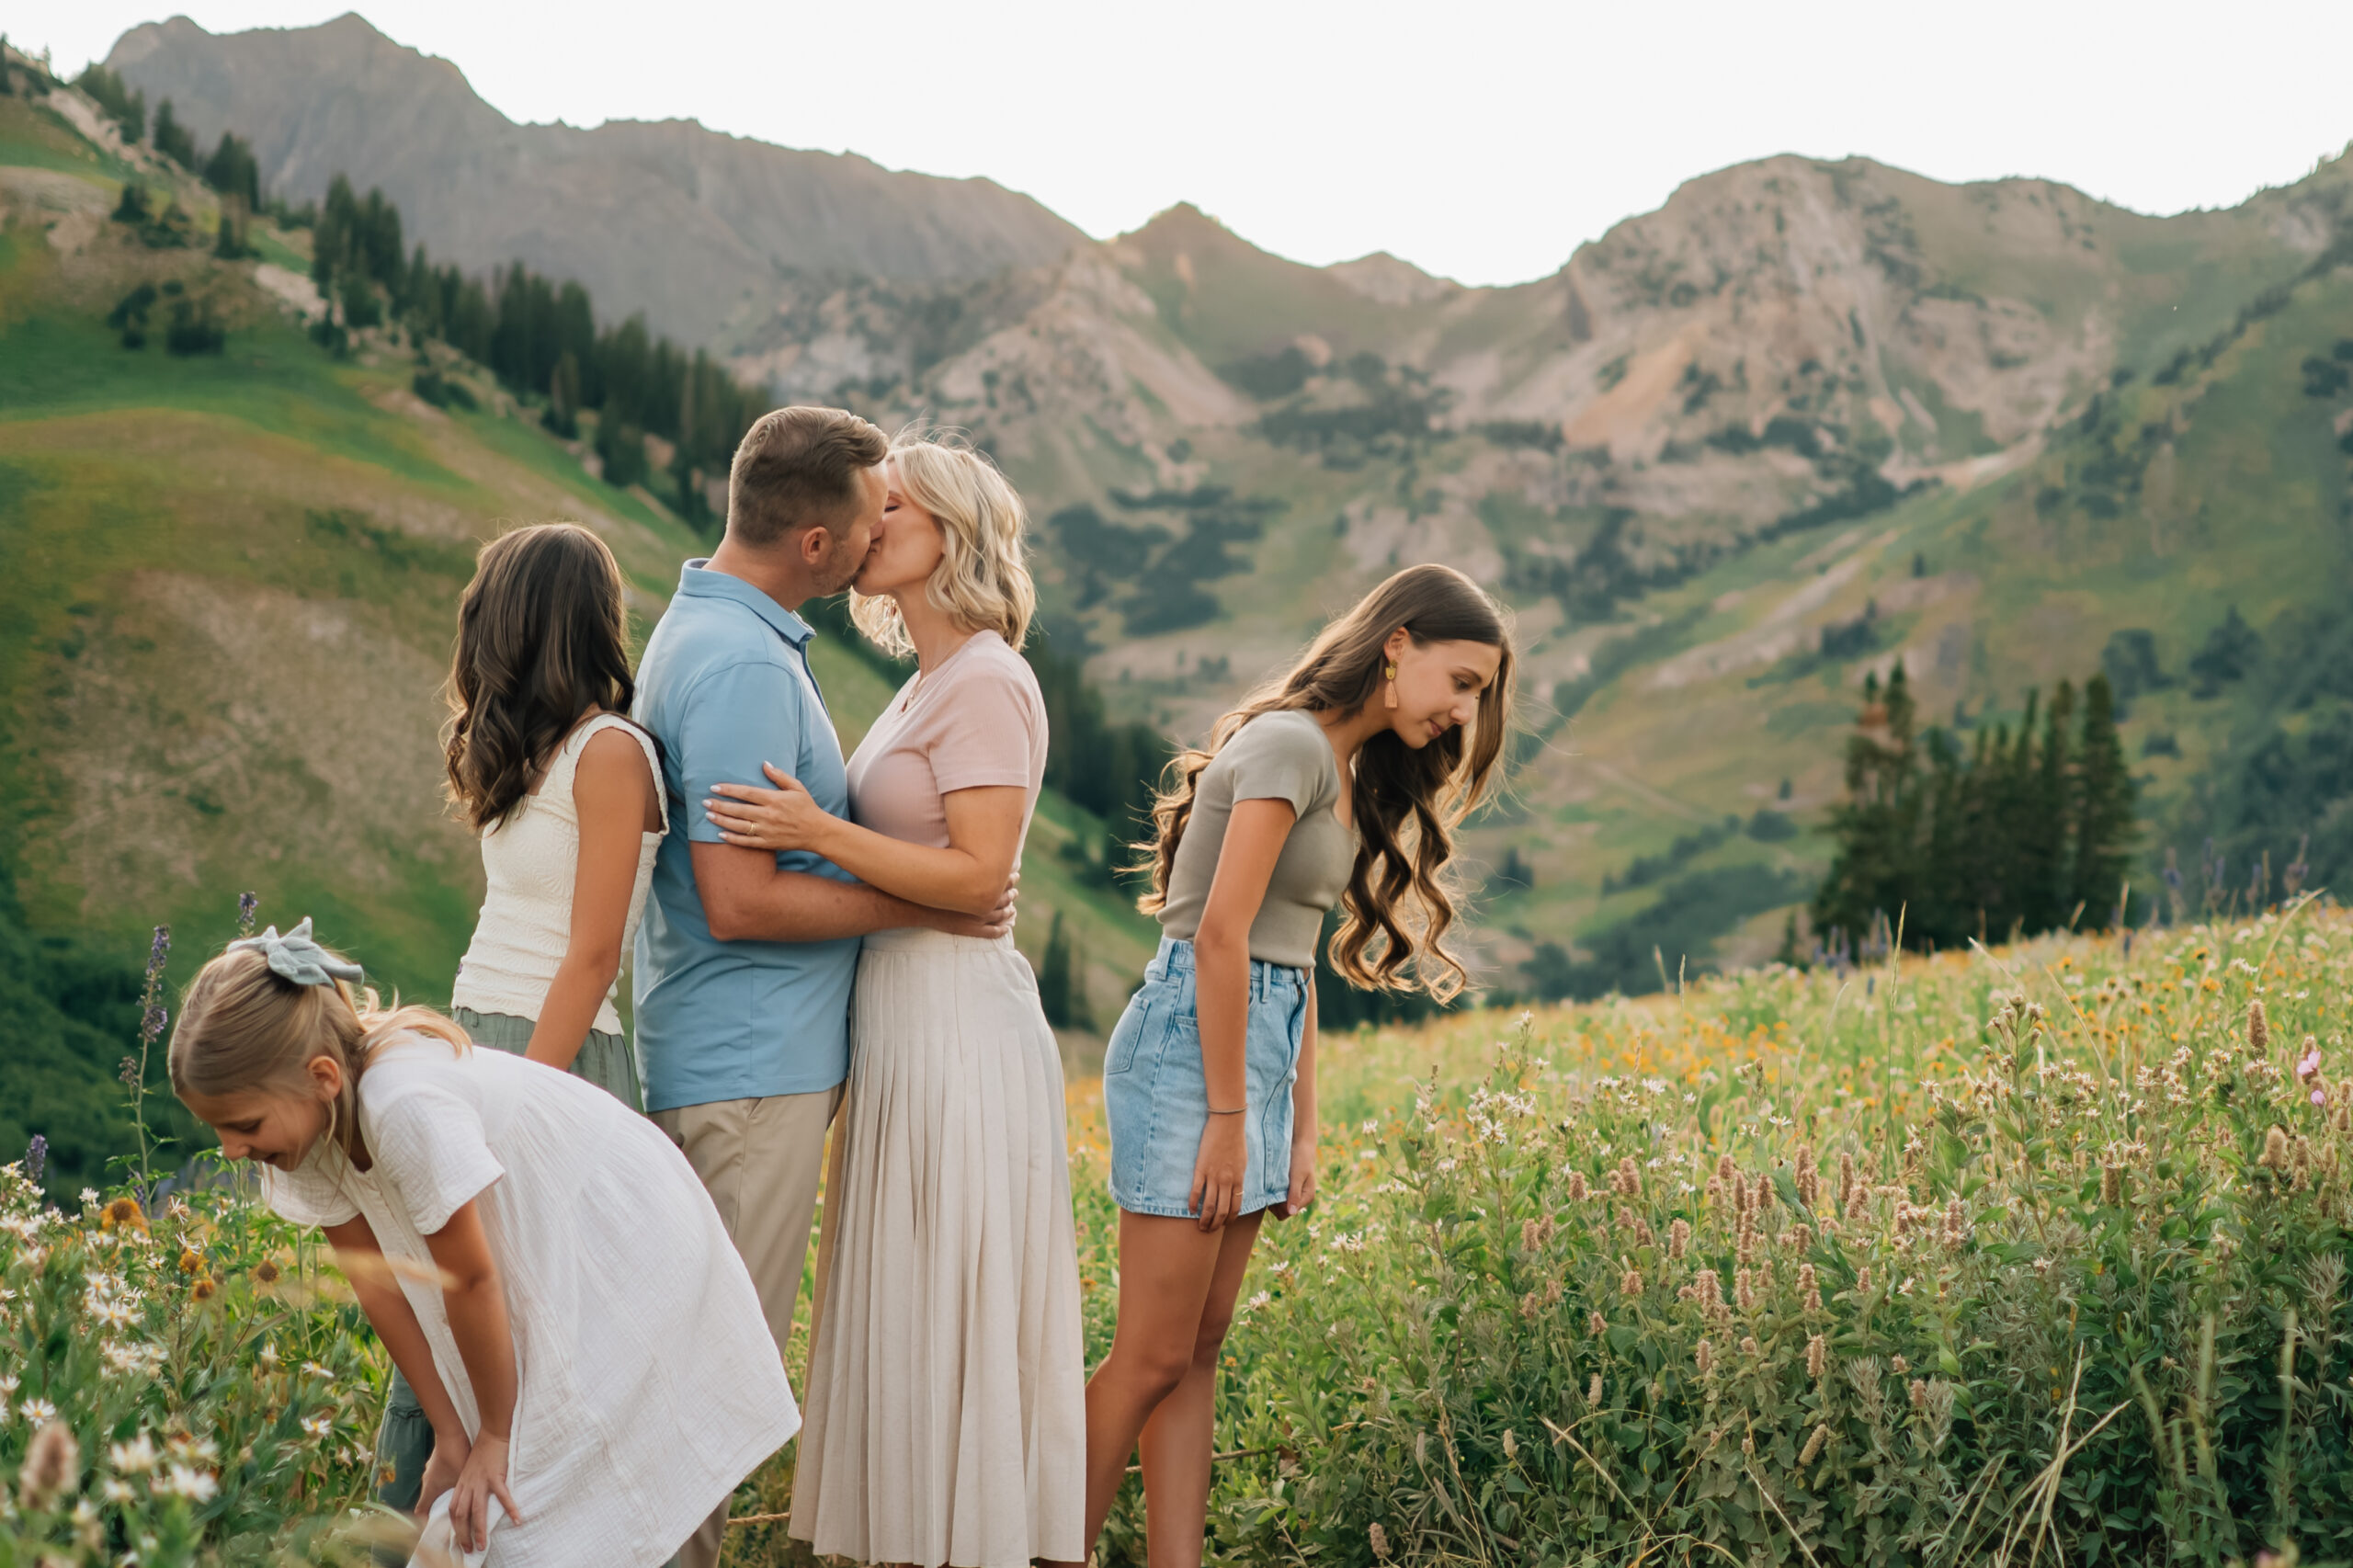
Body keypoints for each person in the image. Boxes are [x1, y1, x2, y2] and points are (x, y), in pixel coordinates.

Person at [630, 406, 1018, 1568]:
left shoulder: (717, 630)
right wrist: (924, 903)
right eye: (866, 517)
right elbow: (743, 898)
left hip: (740, 1051)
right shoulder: (745, 661)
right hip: (750, 1066)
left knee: (699, 1363)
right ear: (813, 542)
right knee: (712, 1378)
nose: (873, 538)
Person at [1076, 562, 1515, 1563]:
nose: (1462, 712)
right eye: (1462, 681)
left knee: (1197, 1349)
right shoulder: (1286, 746)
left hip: (1247, 1050)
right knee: (1148, 1355)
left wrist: (1299, 1123)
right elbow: (1221, 938)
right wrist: (1232, 1115)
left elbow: (1292, 957)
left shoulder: (1337, 764)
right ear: (1396, 644)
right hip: (1195, 1046)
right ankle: (1041, 1544)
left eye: (1478, 694)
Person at [702, 429, 1083, 1567]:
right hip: (900, 1019)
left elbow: (980, 876)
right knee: (910, 1301)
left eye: (895, 509)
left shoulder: (988, 679)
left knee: (953, 1295)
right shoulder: (926, 681)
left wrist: (818, 832)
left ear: (948, 536)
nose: (871, 525)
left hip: (959, 1023)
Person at [169, 919, 795, 1567]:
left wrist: (493, 1434)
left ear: (323, 1077)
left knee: (535, 1512)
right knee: (495, 1516)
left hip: (619, 1251)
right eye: (218, 1130)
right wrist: (451, 1434)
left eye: (242, 1125)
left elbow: (470, 1281)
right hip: (535, 1272)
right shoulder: (308, 1137)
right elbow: (380, 1289)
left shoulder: (402, 1105)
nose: (232, 1150)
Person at [369, 521, 672, 1528]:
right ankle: (409, 1528)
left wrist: (521, 1101)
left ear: (523, 623)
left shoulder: (611, 751)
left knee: (537, 1335)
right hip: (476, 1036)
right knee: (444, 1307)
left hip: (558, 1058)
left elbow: (592, 953)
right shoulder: (524, 751)